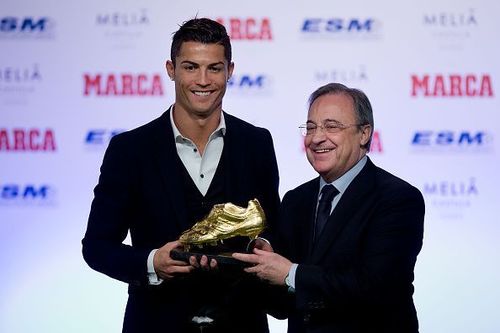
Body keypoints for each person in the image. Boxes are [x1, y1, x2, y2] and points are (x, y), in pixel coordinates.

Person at [82, 18, 280, 333]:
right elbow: (96, 246)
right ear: (171, 69)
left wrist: (265, 246)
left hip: (241, 323)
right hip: (157, 323)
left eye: (214, 68)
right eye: (190, 67)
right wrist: (151, 263)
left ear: (230, 71)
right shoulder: (130, 149)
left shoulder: (256, 143)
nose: (203, 80)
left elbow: (273, 226)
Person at [234, 83, 425, 332]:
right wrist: (251, 261)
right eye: (311, 127)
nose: (316, 138)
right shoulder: (296, 200)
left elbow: (376, 288)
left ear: (364, 133)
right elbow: (281, 305)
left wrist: (291, 273)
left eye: (332, 126)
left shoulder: (397, 199)